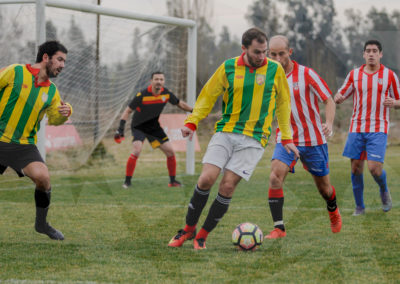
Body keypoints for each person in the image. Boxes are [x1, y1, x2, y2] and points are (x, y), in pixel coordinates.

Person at [168, 27, 299, 250]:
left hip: (255, 139)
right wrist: (192, 122)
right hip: (226, 132)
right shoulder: (228, 67)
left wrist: (286, 137)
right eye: (257, 52)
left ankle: (202, 236)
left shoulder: (274, 70)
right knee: (206, 179)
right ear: (244, 49)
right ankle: (188, 229)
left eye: (264, 52)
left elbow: (284, 104)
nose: (262, 57)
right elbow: (207, 96)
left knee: (227, 187)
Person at [265, 35, 342, 239]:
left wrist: (329, 123)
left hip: (314, 140)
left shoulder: (307, 74)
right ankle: (279, 228)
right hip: (287, 139)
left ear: (290, 53)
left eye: (281, 53)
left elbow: (329, 100)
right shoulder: (268, 77)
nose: (278, 58)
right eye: (273, 54)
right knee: (275, 176)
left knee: (324, 189)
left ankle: (333, 209)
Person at [0, 41, 71, 240]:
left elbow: (56, 120)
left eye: (64, 61)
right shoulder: (16, 72)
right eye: (60, 59)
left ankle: (41, 225)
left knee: (43, 178)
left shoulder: (52, 91)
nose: (63, 65)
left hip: (23, 146)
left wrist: (65, 113)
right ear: (46, 58)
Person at [334, 39, 400, 215]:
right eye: (368, 51)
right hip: (357, 127)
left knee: (374, 169)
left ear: (380, 54)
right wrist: (338, 97)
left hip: (378, 128)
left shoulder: (390, 76)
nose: (371, 54)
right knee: (356, 167)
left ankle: (384, 189)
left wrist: (394, 102)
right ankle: (359, 207)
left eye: (375, 51)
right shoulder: (354, 75)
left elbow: (399, 100)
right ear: (363, 54)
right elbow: (342, 93)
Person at [115, 71, 193, 188]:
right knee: (137, 150)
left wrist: (194, 110)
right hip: (139, 126)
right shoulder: (142, 95)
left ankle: (172, 182)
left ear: (164, 82)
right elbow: (128, 111)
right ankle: (127, 182)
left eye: (161, 79)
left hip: (153, 127)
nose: (159, 82)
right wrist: (121, 128)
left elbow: (179, 104)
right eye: (156, 79)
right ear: (151, 81)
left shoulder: (166, 94)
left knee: (170, 152)